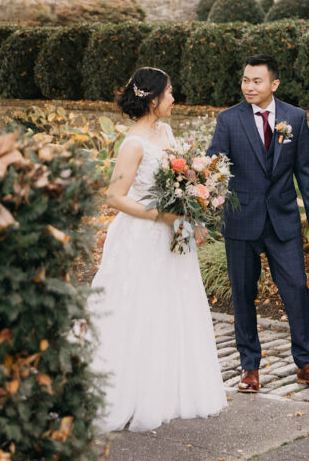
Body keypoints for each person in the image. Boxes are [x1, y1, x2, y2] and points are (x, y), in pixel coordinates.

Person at [89, 66, 226, 432]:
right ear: (152, 99)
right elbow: (115, 196)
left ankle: (172, 391)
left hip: (173, 234)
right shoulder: (133, 144)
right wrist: (160, 216)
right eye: (168, 93)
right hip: (141, 236)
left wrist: (191, 213)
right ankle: (132, 392)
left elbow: (181, 179)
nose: (173, 98)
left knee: (173, 304)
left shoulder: (165, 130)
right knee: (140, 307)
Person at [208, 54, 309, 394]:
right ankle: (249, 367)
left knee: (296, 288)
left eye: (257, 81)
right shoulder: (228, 120)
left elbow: (305, 172)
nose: (249, 86)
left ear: (274, 84)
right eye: (246, 80)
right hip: (241, 223)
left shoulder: (295, 117)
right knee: (243, 295)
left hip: (282, 220)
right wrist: (207, 206)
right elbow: (213, 170)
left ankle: (307, 363)